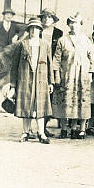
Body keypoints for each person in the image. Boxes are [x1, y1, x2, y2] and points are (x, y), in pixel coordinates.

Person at [10, 17, 54, 144]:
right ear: (29, 30)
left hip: (40, 79)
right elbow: (14, 66)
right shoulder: (21, 44)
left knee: (40, 107)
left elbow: (50, 63)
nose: (34, 31)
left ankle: (41, 133)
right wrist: (13, 85)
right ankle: (26, 132)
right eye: (32, 28)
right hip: (25, 79)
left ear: (40, 30)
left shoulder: (45, 44)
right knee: (26, 106)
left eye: (37, 28)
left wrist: (51, 82)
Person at [52, 12, 94, 139]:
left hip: (82, 76)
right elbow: (57, 59)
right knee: (66, 101)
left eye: (76, 23)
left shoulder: (86, 40)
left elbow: (92, 58)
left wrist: (91, 73)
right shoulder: (63, 40)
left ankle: (80, 129)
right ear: (68, 24)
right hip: (67, 76)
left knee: (82, 102)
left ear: (80, 25)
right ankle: (64, 129)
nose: (73, 26)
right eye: (71, 23)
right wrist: (56, 75)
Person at [39, 8, 63, 137]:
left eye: (49, 17)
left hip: (52, 67)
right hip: (39, 66)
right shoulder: (37, 31)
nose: (46, 19)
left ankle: (44, 125)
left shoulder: (59, 33)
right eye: (44, 17)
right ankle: (37, 127)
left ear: (54, 20)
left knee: (51, 96)